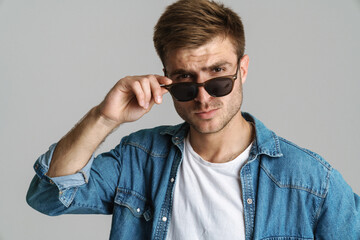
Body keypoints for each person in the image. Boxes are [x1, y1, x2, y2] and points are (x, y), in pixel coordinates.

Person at [26, 0, 359, 239]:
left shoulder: (312, 181)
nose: (203, 97)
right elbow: (49, 197)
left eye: (218, 76)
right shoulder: (140, 158)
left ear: (242, 70)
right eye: (185, 80)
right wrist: (104, 117)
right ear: (166, 79)